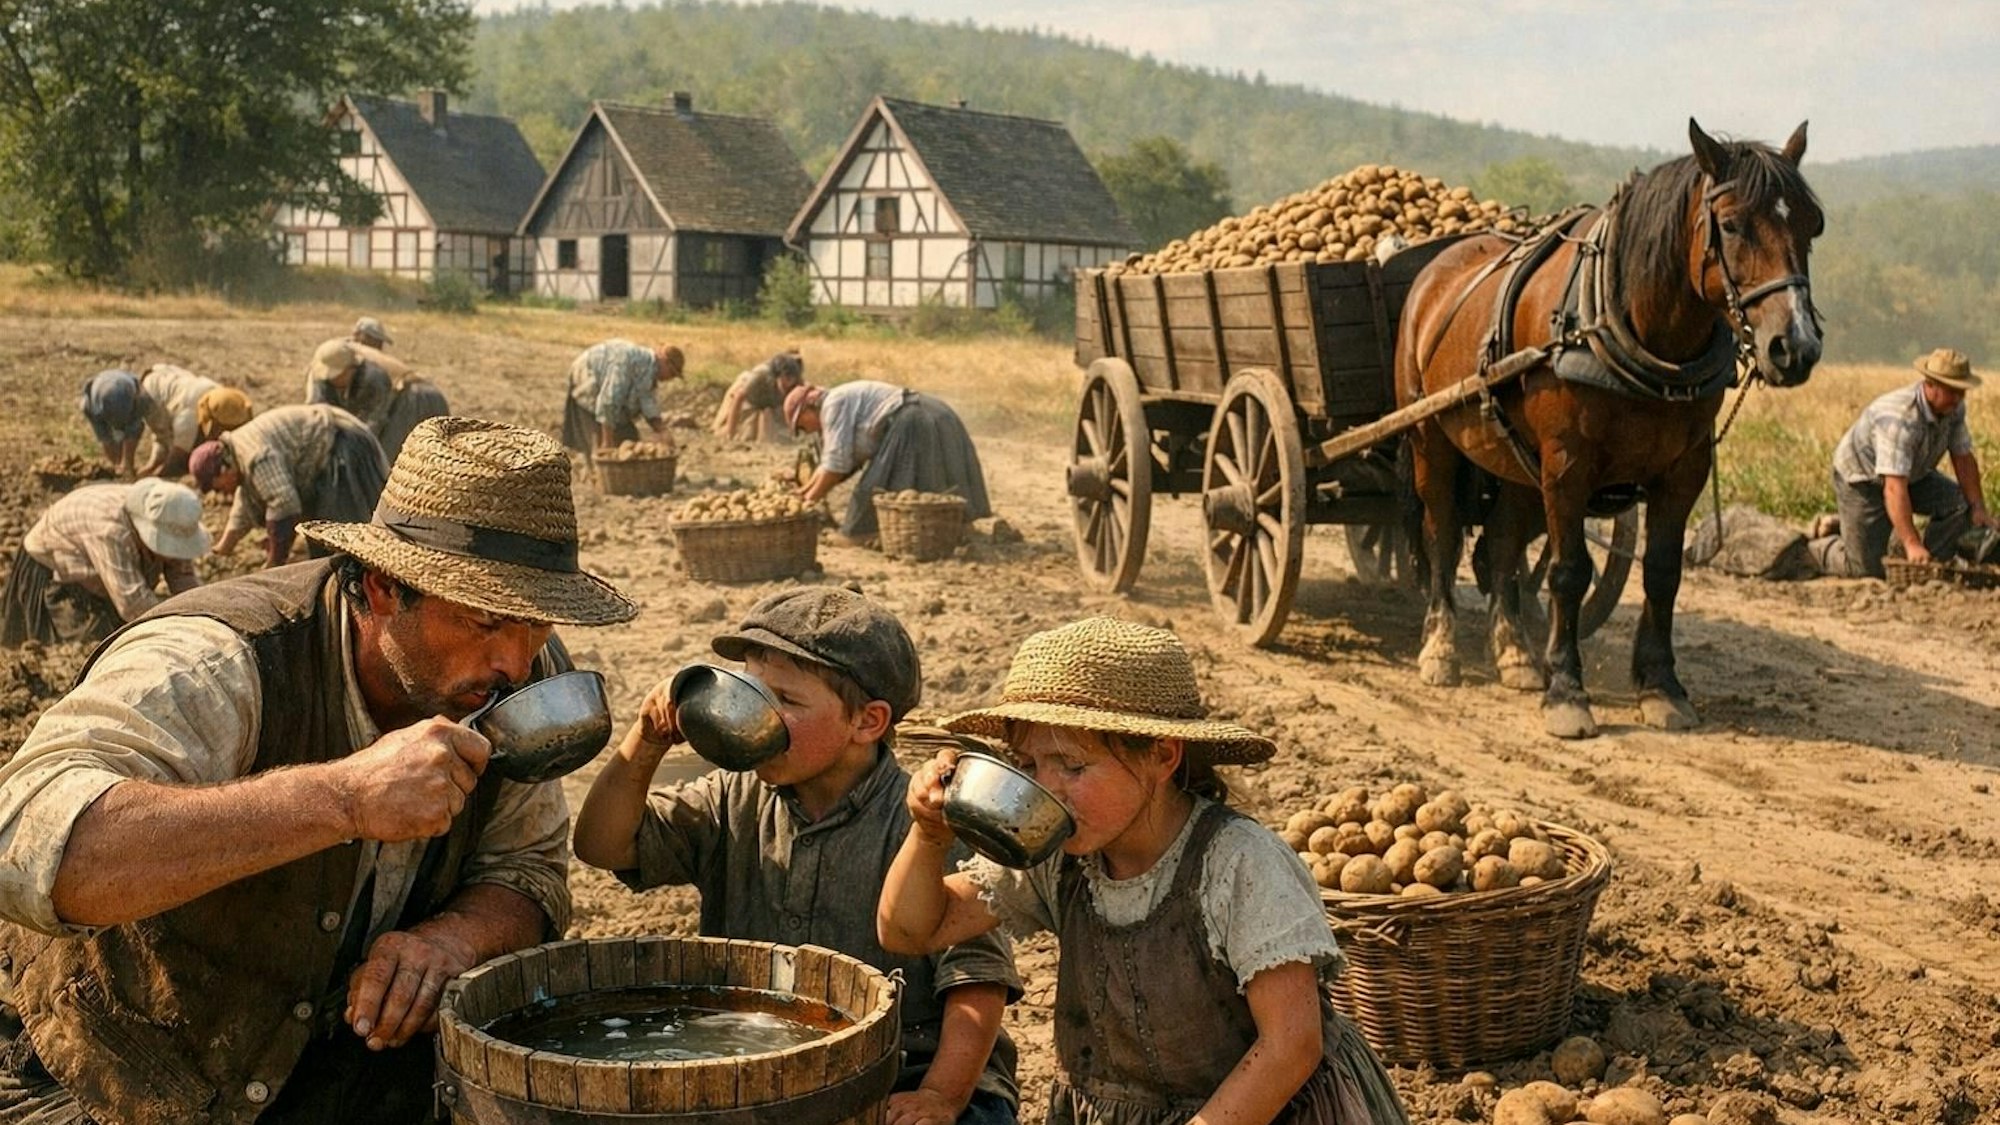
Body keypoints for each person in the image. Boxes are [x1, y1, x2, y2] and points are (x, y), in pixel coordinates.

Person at [0, 417, 638, 1125]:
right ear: (385, 587)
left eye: (537, 624)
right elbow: (29, 847)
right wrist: (343, 797)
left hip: (339, 1065)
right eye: (484, 621)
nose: (515, 662)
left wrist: (455, 937)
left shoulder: (514, 686)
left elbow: (526, 870)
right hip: (127, 1069)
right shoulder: (222, 661)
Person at [879, 617, 1411, 1125]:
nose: (1048, 787)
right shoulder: (1060, 855)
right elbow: (908, 931)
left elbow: (1290, 1045)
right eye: (1029, 765)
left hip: (1269, 1108)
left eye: (1073, 766)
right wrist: (929, 835)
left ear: (1162, 756)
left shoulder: (1238, 863)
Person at [573, 587, 1022, 1125]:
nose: (761, 714)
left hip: (906, 1066)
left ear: (867, 722)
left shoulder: (927, 825)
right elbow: (602, 845)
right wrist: (646, 741)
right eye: (752, 691)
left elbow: (977, 982)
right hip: (760, 1065)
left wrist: (940, 1096)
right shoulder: (733, 796)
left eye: (786, 700)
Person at [1807, 347, 1998, 577]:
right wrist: (1911, 543)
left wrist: (1978, 508)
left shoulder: (1953, 408)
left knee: (1960, 504)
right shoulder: (1899, 419)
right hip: (1863, 479)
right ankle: (1817, 548)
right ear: (1930, 385)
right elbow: (1894, 488)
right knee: (1865, 570)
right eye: (1951, 391)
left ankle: (1931, 562)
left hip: (1912, 474)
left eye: (1961, 391)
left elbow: (1963, 459)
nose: (1957, 398)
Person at [0, 478, 208, 646]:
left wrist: (202, 617)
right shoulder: (112, 532)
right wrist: (179, 632)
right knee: (90, 641)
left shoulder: (170, 517)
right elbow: (133, 604)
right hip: (53, 564)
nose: (175, 554)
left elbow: (184, 579)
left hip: (101, 565)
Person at [785, 380, 991, 541]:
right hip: (935, 411)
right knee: (939, 476)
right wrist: (803, 493)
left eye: (802, 426)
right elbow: (828, 464)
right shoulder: (839, 398)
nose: (807, 431)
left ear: (807, 408)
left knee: (874, 486)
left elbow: (836, 465)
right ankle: (957, 527)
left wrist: (808, 503)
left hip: (913, 419)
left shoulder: (832, 404)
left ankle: (858, 535)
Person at [190, 403, 388, 569]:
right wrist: (223, 548)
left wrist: (274, 562)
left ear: (224, 470)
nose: (220, 493)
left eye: (217, 487)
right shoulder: (237, 454)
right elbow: (244, 502)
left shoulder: (256, 456)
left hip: (339, 443)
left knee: (341, 538)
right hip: (321, 453)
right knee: (320, 540)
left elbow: (284, 505)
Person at [303, 338, 450, 465]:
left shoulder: (373, 378)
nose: (331, 378)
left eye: (336, 375)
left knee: (385, 458)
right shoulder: (322, 375)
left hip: (417, 397)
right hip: (394, 399)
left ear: (350, 370)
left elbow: (371, 425)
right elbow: (318, 413)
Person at [560, 340, 682, 464]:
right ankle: (594, 471)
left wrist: (662, 430)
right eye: (672, 373)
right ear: (664, 361)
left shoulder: (649, 371)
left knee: (629, 440)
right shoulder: (628, 362)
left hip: (609, 394)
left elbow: (647, 401)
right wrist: (607, 441)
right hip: (588, 378)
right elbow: (609, 400)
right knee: (600, 445)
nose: (670, 379)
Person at [133, 363, 220, 478]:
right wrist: (151, 466)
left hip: (191, 402)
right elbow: (161, 436)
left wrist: (158, 474)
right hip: (212, 391)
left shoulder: (150, 398)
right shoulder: (159, 374)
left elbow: (178, 451)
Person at [711, 350, 804, 443]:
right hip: (747, 398)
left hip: (767, 405)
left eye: (791, 379)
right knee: (737, 432)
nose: (788, 383)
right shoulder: (758, 378)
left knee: (768, 435)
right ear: (777, 376)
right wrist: (730, 433)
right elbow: (738, 398)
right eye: (786, 378)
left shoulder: (796, 384)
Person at [77, 368, 147, 478]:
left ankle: (126, 466)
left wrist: (127, 463)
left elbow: (133, 428)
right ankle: (119, 465)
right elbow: (105, 438)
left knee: (131, 428)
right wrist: (117, 465)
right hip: (100, 394)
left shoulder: (137, 398)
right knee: (110, 437)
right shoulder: (90, 407)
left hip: (126, 390)